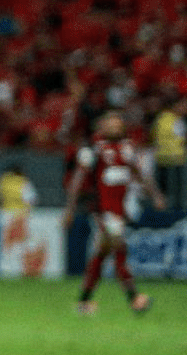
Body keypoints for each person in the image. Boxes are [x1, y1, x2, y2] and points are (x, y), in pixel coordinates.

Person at [63, 111, 165, 316]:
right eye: (111, 123)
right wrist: (70, 210)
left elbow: (140, 174)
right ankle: (135, 299)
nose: (115, 127)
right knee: (120, 249)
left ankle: (84, 302)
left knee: (101, 255)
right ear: (101, 127)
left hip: (119, 211)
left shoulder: (127, 149)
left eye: (118, 123)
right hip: (102, 210)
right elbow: (77, 181)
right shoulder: (93, 149)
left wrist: (155, 195)